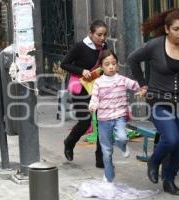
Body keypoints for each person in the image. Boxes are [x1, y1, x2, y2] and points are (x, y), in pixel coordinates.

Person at [127, 8, 179, 195]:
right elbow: (132, 59)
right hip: (158, 101)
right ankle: (154, 161)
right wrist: (143, 85)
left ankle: (169, 179)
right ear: (166, 29)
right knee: (170, 139)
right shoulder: (155, 45)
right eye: (176, 29)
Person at [61, 19, 108, 168]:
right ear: (91, 34)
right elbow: (64, 64)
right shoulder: (79, 47)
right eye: (99, 35)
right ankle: (69, 142)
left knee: (102, 122)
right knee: (85, 121)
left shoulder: (104, 46)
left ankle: (100, 158)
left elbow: (107, 62)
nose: (102, 38)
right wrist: (82, 71)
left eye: (104, 35)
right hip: (81, 88)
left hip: (98, 87)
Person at [89, 49, 140, 183]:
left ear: (117, 64)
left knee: (122, 137)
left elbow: (136, 85)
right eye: (107, 64)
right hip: (103, 120)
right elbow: (94, 97)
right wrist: (92, 105)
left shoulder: (122, 80)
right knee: (106, 151)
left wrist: (143, 89)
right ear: (101, 66)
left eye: (114, 63)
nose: (111, 67)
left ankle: (122, 146)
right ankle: (109, 176)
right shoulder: (98, 82)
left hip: (119, 117)